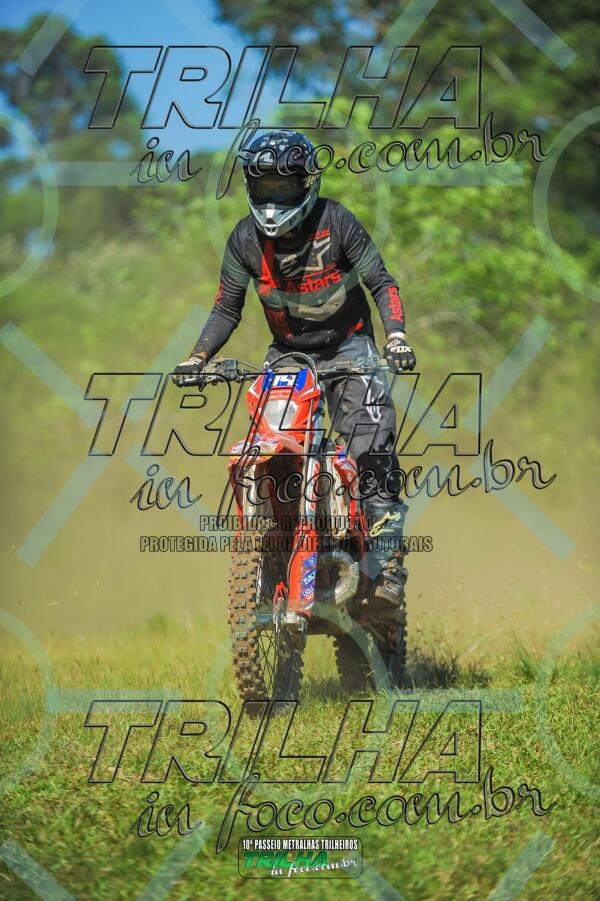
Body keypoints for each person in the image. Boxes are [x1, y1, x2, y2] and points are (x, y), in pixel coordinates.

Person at [173, 129, 416, 619]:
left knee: (372, 446)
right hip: (288, 356)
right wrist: (197, 357)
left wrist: (396, 337)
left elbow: (380, 282)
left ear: (306, 184)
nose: (273, 199)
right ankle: (274, 547)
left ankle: (386, 565)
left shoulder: (336, 221)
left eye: (283, 187)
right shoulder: (244, 239)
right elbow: (226, 308)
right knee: (270, 446)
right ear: (249, 186)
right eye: (264, 187)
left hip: (349, 348)